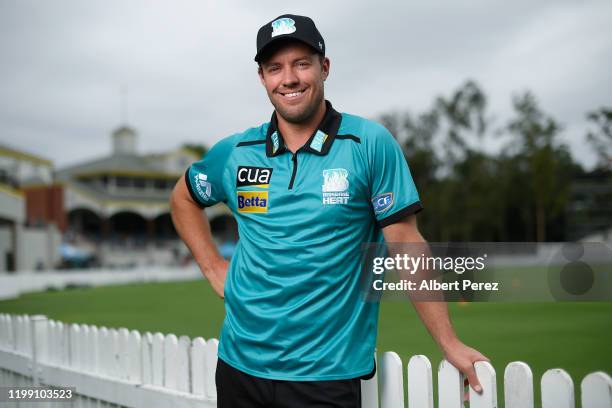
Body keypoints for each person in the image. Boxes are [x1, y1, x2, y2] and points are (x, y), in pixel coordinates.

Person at [170, 13, 488, 408]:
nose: (288, 79)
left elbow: (406, 242)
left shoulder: (368, 143)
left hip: (327, 377)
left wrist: (449, 341)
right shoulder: (236, 153)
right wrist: (213, 268)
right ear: (262, 78)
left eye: (301, 64)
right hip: (239, 367)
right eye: (275, 68)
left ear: (324, 67)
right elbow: (183, 198)